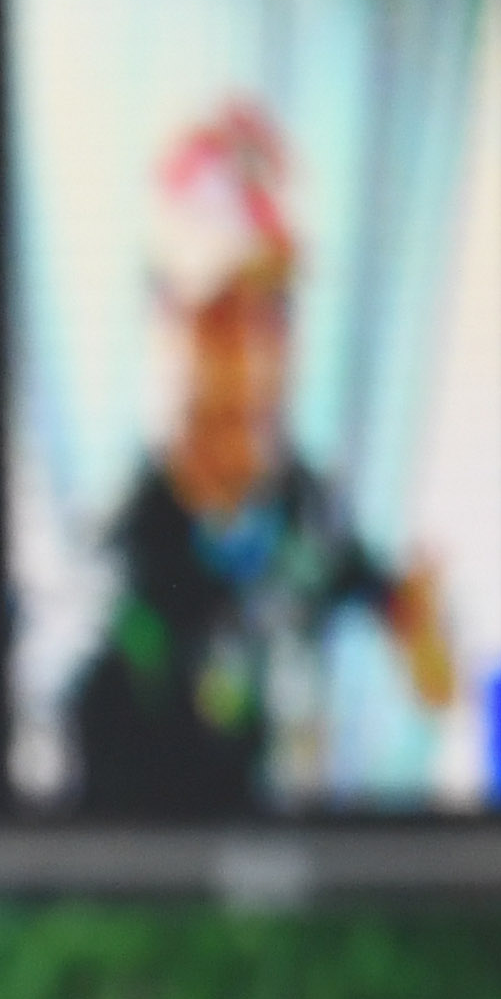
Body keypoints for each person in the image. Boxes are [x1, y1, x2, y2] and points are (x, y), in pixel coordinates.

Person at [68, 101, 455, 819]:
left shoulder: (306, 504)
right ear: (166, 324)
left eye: (273, 312)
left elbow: (386, 608)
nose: (253, 361)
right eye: (221, 316)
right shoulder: (114, 571)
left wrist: (417, 626)